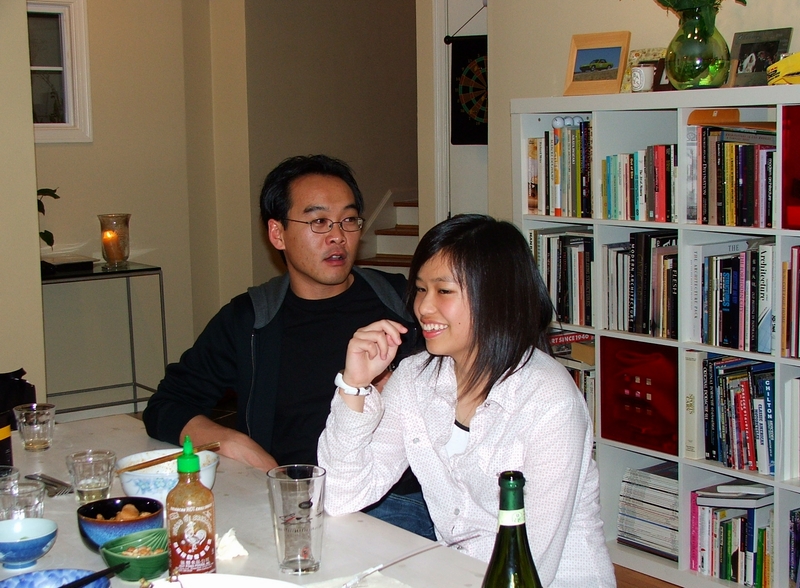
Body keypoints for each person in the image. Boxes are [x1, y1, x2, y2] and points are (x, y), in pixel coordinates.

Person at [143, 154, 434, 539]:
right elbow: (167, 405)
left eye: (348, 220)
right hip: (290, 498)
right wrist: (234, 442)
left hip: (390, 499)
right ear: (277, 233)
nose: (338, 236)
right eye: (319, 222)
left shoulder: (405, 301)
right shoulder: (252, 319)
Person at [318, 214, 616, 587]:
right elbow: (341, 496)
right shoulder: (415, 379)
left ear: (496, 298)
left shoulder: (549, 400)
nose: (423, 307)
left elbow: (530, 563)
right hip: (457, 575)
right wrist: (354, 386)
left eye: (443, 291)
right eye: (420, 289)